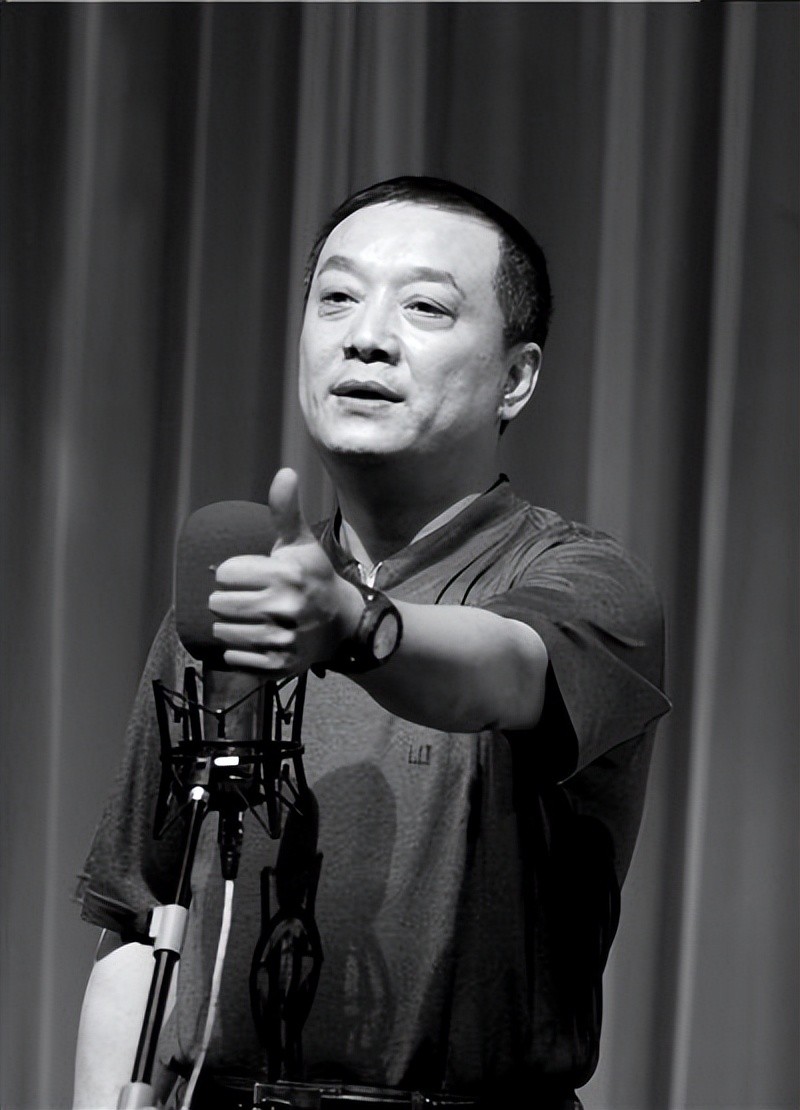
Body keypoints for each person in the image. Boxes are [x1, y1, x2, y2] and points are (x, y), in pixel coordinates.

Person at [74, 177, 670, 1110]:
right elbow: (141, 921)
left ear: (516, 378)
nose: (366, 336)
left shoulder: (587, 580)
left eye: (424, 307)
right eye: (338, 298)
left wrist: (355, 627)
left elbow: (502, 672)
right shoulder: (246, 595)